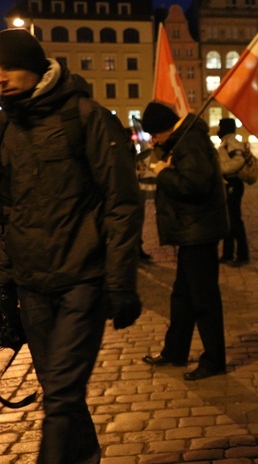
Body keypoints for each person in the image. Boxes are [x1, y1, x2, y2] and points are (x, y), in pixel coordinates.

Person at [0, 28, 143, 462]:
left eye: (9, 67)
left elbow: (122, 202)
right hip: (32, 283)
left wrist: (119, 283)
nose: (1, 77)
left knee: (61, 392)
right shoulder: (6, 126)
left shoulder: (85, 116)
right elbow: (5, 212)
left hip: (83, 278)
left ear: (35, 66)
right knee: (58, 389)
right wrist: (6, 286)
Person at [140, 101, 229, 381]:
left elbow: (195, 184)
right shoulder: (185, 139)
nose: (153, 142)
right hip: (191, 231)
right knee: (182, 296)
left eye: (154, 136)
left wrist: (163, 172)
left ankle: (214, 360)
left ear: (163, 129)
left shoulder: (190, 141)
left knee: (204, 299)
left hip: (198, 231)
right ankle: (175, 350)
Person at [216, 118, 250, 265]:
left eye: (220, 127)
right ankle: (228, 253)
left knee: (235, 219)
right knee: (228, 219)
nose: (218, 129)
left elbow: (238, 160)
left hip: (233, 183)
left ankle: (242, 255)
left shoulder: (232, 142)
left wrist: (222, 170)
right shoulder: (226, 141)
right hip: (228, 183)